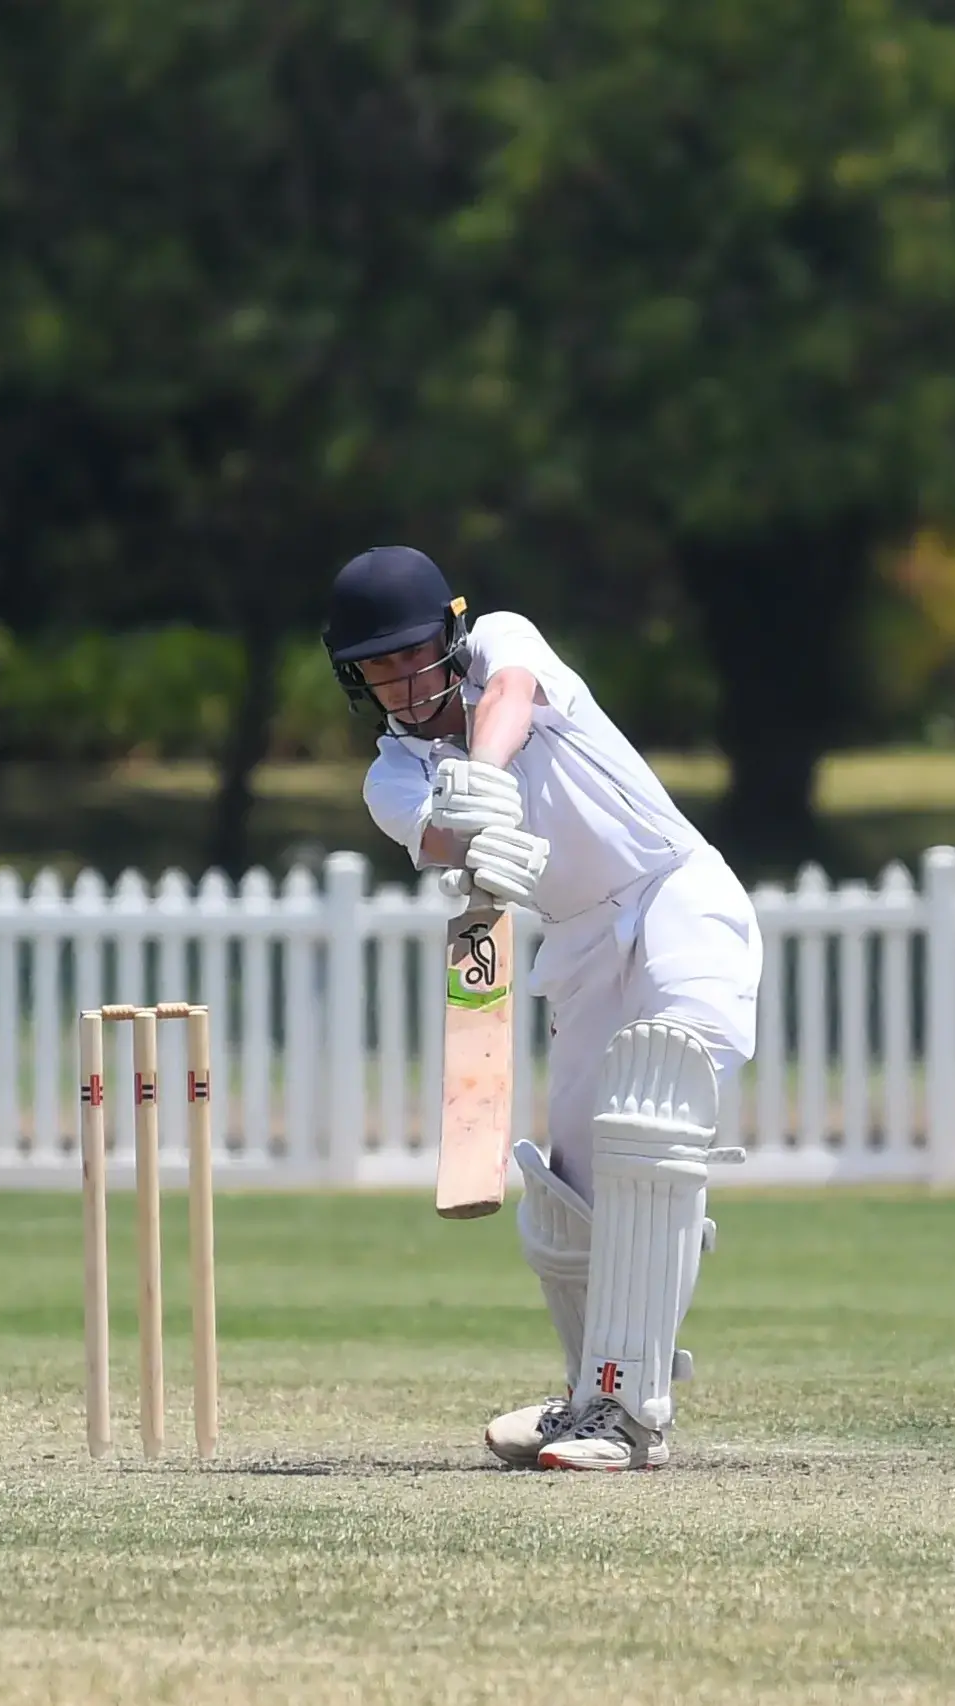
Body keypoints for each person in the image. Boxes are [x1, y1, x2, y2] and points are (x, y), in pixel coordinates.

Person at [321, 545, 764, 1470]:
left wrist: (481, 781)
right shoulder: (390, 778)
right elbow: (437, 838)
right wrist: (471, 845)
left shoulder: (503, 641)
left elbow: (513, 699)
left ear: (450, 635)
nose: (402, 679)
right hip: (576, 945)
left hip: (676, 894)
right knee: (569, 1197)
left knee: (656, 1118)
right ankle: (592, 1397)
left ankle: (629, 1412)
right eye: (378, 666)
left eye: (413, 653)